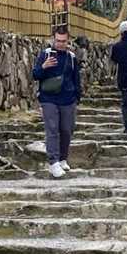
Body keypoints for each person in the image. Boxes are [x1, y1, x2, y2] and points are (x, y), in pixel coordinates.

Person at [33, 26, 82, 179]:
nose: (60, 44)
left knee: (67, 129)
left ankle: (62, 158)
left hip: (68, 98)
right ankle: (53, 161)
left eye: (63, 41)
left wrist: (77, 96)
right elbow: (35, 75)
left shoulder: (71, 57)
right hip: (48, 98)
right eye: (58, 41)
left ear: (68, 41)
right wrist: (44, 66)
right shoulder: (45, 54)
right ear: (53, 39)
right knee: (52, 129)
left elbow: (76, 78)